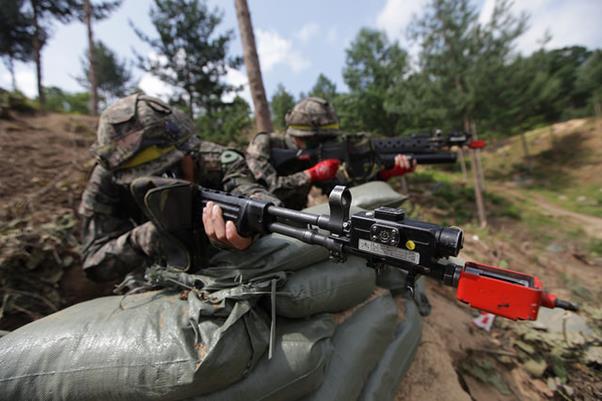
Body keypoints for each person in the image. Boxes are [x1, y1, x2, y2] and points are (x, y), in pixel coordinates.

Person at [78, 94, 280, 283]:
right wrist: (149, 235)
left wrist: (248, 232)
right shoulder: (109, 178)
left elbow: (258, 200)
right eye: (143, 182)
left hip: (224, 269)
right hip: (152, 279)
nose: (160, 183)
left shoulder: (217, 161)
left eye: (168, 172)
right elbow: (95, 263)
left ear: (188, 150)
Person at [246, 96, 415, 209]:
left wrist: (385, 173)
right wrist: (310, 175)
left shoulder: (315, 157)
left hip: (293, 223)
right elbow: (264, 190)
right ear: (297, 136)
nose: (324, 145)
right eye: (318, 140)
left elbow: (346, 194)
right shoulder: (264, 144)